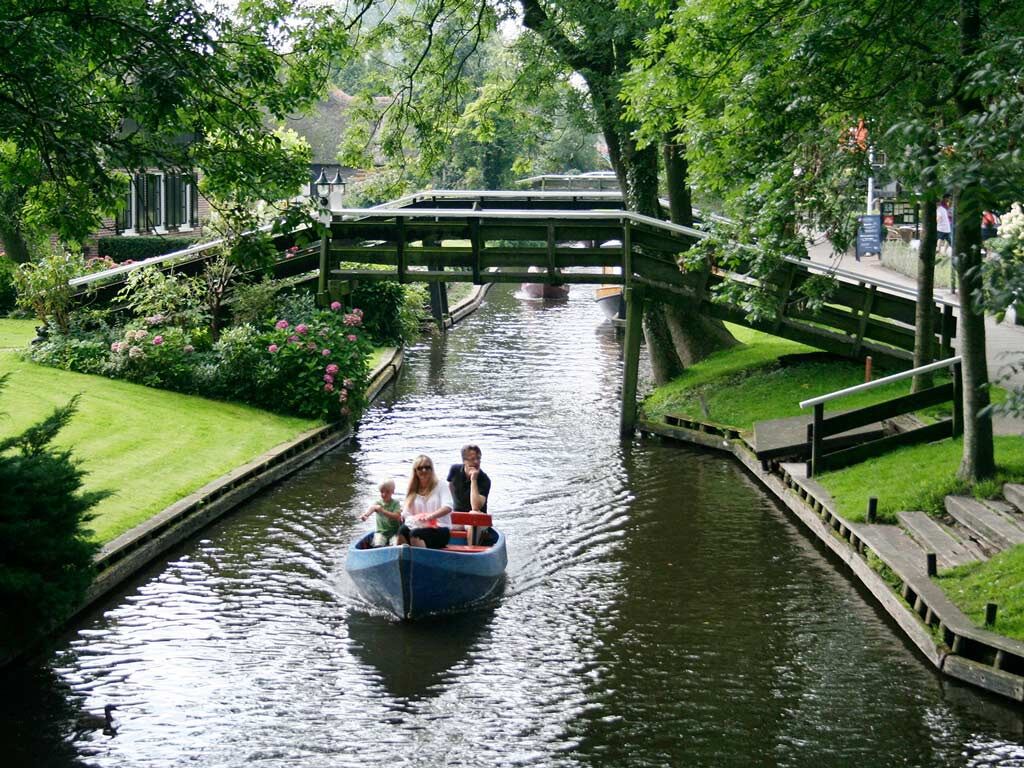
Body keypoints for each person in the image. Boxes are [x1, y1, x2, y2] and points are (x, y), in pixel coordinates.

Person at [396, 455, 452, 549]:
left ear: (432, 469)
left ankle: (421, 557)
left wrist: (430, 516)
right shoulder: (412, 489)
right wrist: (416, 519)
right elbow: (406, 513)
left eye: (427, 467)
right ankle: (404, 556)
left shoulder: (441, 485)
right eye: (420, 468)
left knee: (415, 534)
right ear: (415, 471)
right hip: (418, 525)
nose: (424, 470)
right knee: (402, 531)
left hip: (440, 528)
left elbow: (448, 507)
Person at [447, 444, 495, 545]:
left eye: (478, 458)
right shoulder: (454, 470)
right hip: (458, 517)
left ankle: (471, 549)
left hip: (477, 520)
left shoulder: (484, 480)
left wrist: (474, 480)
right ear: (464, 461)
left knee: (474, 515)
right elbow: (449, 487)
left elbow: (476, 506)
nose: (476, 462)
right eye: (472, 459)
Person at [359, 478, 404, 547]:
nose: (384, 494)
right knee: (378, 543)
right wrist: (366, 515)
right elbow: (372, 508)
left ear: (392, 491)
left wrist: (383, 511)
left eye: (387, 492)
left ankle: (392, 547)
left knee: (396, 543)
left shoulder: (395, 503)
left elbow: (397, 516)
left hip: (394, 532)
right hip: (381, 532)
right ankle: (379, 547)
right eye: (382, 492)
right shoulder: (378, 503)